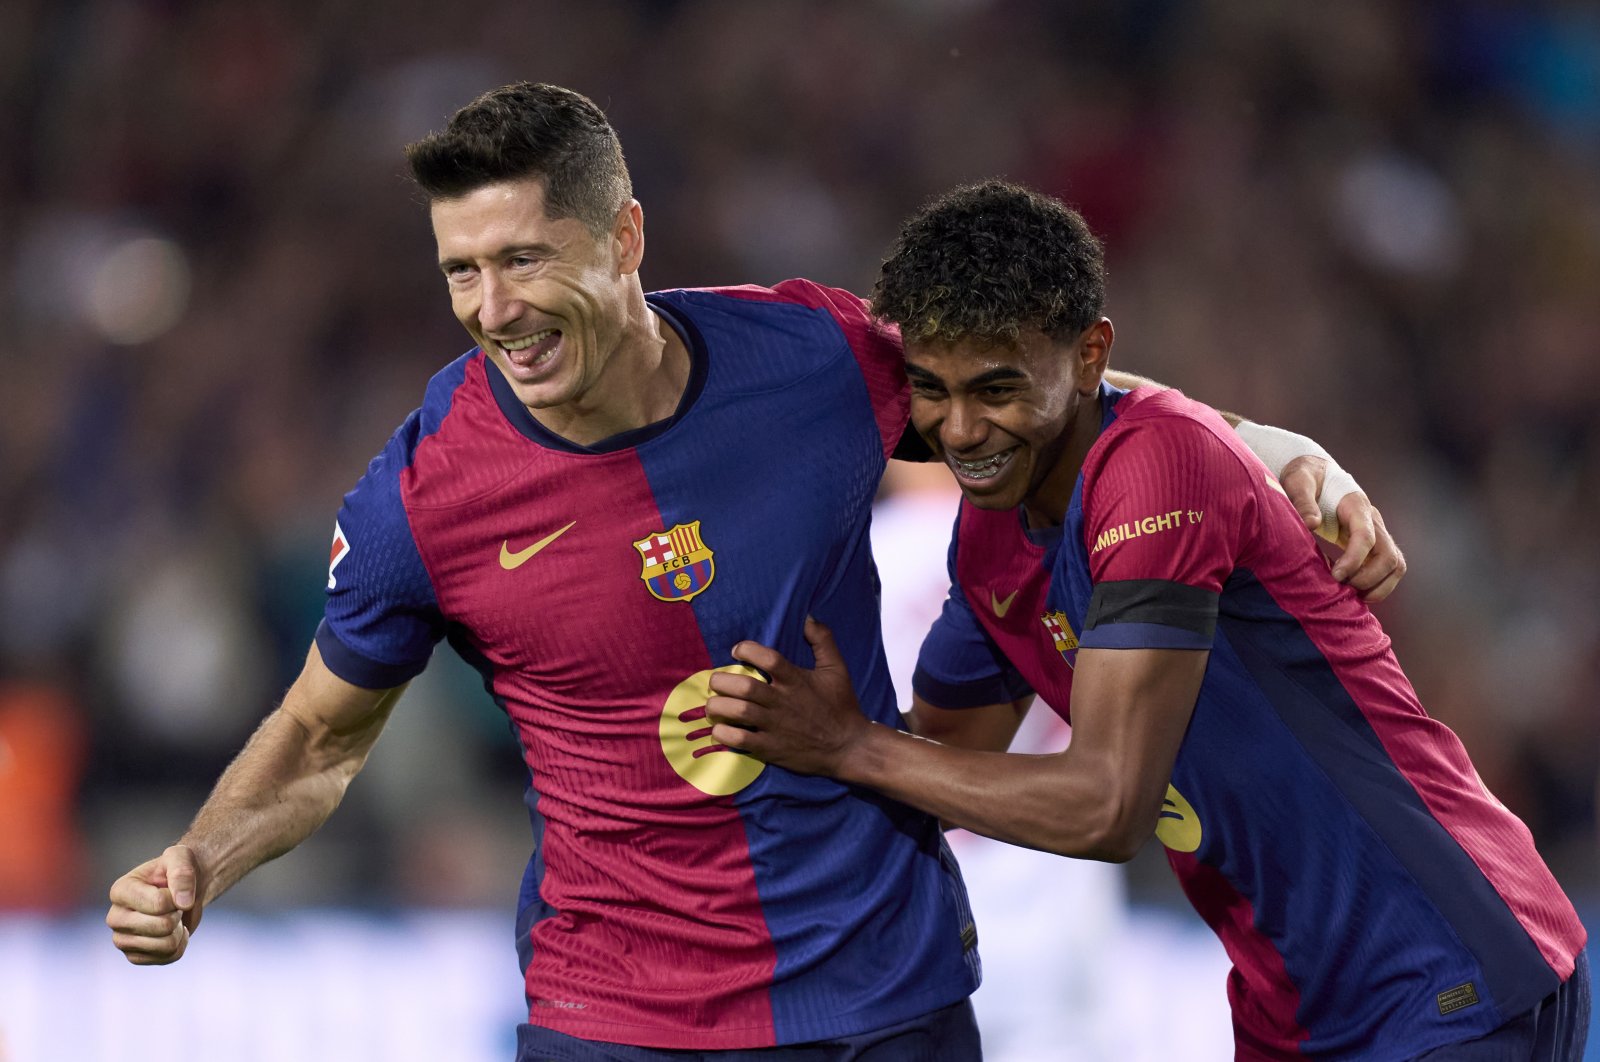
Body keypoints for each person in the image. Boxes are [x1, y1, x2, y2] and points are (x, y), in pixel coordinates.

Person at [105, 86, 1400, 1058]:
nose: (492, 308)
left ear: (623, 237)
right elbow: (320, 739)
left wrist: (1276, 448)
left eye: (523, 259)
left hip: (888, 998)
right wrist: (200, 862)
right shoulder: (423, 498)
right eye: (461, 270)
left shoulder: (812, 361)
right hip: (617, 1020)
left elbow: (1050, 401)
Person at [706, 181, 1589, 1060]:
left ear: (1091, 357)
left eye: (997, 388)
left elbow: (1110, 805)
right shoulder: (988, 537)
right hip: (1299, 1009)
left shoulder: (1158, 469)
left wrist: (851, 745)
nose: (962, 431)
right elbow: (939, 767)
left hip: (1447, 971)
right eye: (933, 391)